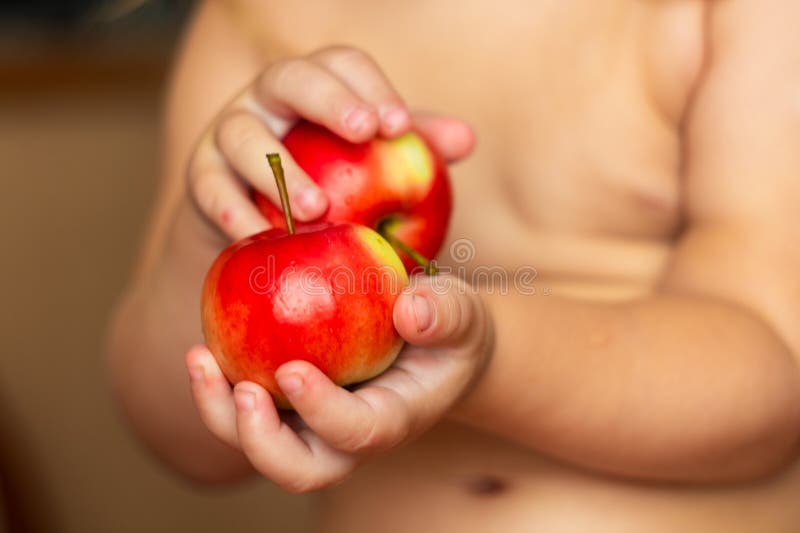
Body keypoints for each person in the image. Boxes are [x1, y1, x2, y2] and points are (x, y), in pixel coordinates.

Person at [108, 0, 800, 530]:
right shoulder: (254, 16)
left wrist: (487, 356)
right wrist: (213, 226)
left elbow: (776, 379)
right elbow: (185, 443)